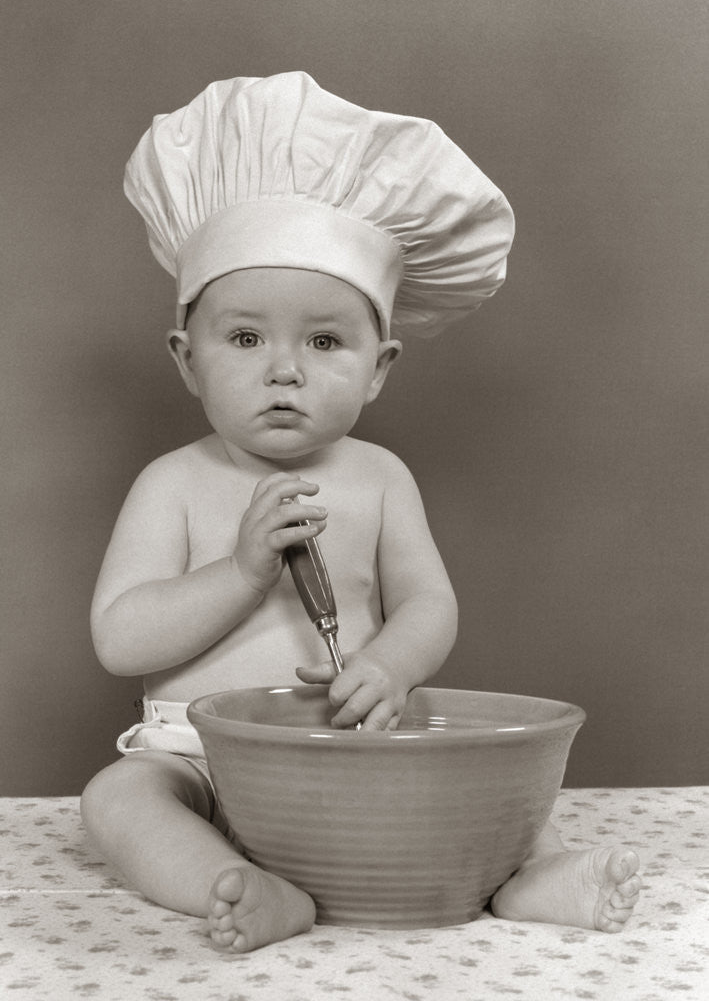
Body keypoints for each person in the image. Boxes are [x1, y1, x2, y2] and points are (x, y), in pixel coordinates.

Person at [81, 73, 641, 953]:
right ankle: (239, 889)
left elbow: (428, 605)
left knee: (481, 781)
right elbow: (121, 640)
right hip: (196, 756)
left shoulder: (378, 478)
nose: (284, 370)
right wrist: (240, 573)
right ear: (187, 359)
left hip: (347, 747)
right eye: (244, 337)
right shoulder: (174, 482)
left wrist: (386, 666)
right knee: (117, 800)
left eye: (325, 341)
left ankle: (535, 876)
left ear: (377, 368)